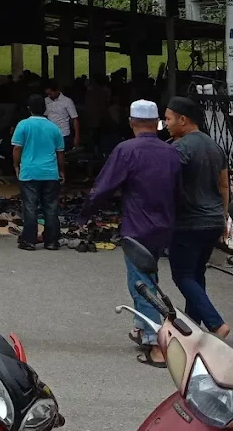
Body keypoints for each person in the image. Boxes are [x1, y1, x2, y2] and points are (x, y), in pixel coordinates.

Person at [79, 100, 182, 368]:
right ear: (157, 122)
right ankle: (140, 326)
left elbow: (104, 187)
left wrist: (85, 214)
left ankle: (154, 339)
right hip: (165, 226)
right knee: (149, 276)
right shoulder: (171, 152)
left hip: (138, 227)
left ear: (131, 122)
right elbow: (179, 191)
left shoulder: (126, 150)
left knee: (140, 283)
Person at [165, 96, 230, 338]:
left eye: (169, 119)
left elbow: (167, 181)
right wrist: (223, 216)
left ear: (183, 119)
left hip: (188, 221)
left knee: (182, 274)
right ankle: (192, 327)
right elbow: (224, 185)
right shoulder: (215, 146)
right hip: (213, 219)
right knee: (196, 273)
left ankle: (215, 323)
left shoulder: (180, 148)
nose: (166, 124)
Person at [12, 94, 65, 252]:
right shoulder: (54, 127)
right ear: (45, 109)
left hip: (29, 172)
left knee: (30, 207)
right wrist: (61, 170)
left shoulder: (23, 125)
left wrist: (16, 166)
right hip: (50, 173)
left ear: (29, 109)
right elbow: (60, 153)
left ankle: (29, 241)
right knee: (51, 207)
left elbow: (16, 148)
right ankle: (52, 241)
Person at [44, 81, 81, 150]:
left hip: (63, 134)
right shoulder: (46, 100)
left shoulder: (67, 101)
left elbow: (75, 119)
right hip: (50, 135)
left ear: (56, 90)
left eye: (50, 93)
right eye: (47, 94)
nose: (49, 96)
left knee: (62, 155)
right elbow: (45, 117)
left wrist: (77, 136)